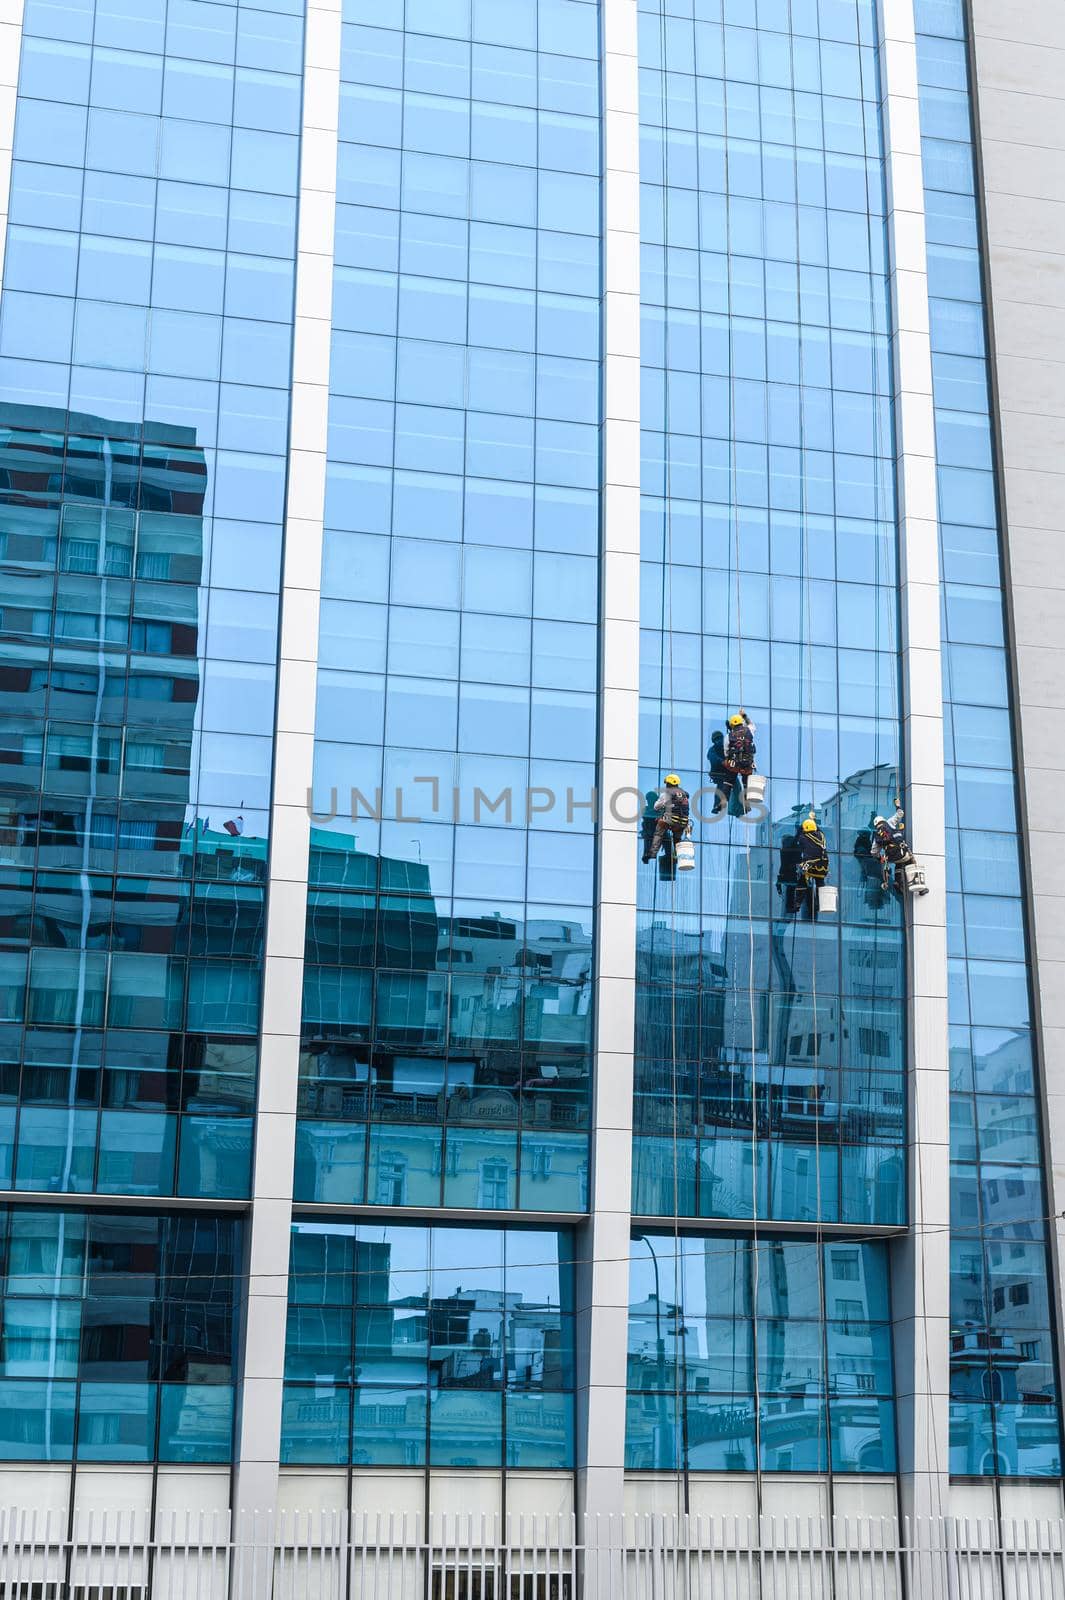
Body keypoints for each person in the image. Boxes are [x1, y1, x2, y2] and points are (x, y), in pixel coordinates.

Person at [871, 804, 928, 896]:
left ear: (876, 825)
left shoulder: (877, 835)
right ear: (883, 820)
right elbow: (900, 813)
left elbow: (873, 852)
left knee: (898, 864)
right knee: (911, 863)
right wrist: (897, 806)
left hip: (892, 857)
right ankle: (920, 888)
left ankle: (898, 883)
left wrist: (879, 858)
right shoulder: (889, 822)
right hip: (903, 852)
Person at [643, 774, 690, 863]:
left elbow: (656, 807)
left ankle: (652, 853)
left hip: (671, 819)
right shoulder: (684, 794)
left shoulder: (666, 794)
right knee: (677, 838)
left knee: (659, 832)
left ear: (668, 784)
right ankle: (677, 856)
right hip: (683, 822)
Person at [723, 710, 757, 809]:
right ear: (741, 723)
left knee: (728, 781)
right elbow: (751, 724)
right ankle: (746, 802)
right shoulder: (749, 730)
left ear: (731, 726)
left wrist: (728, 759)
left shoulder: (728, 736)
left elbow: (726, 751)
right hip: (748, 763)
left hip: (735, 764)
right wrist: (744, 715)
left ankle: (724, 800)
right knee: (746, 782)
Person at [706, 730, 730, 814]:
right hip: (718, 774)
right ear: (714, 741)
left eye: (720, 739)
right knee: (721, 787)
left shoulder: (727, 748)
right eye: (717, 739)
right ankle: (717, 805)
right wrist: (722, 762)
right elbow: (712, 758)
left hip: (726, 774)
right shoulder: (712, 750)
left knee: (729, 786)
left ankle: (727, 802)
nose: (719, 741)